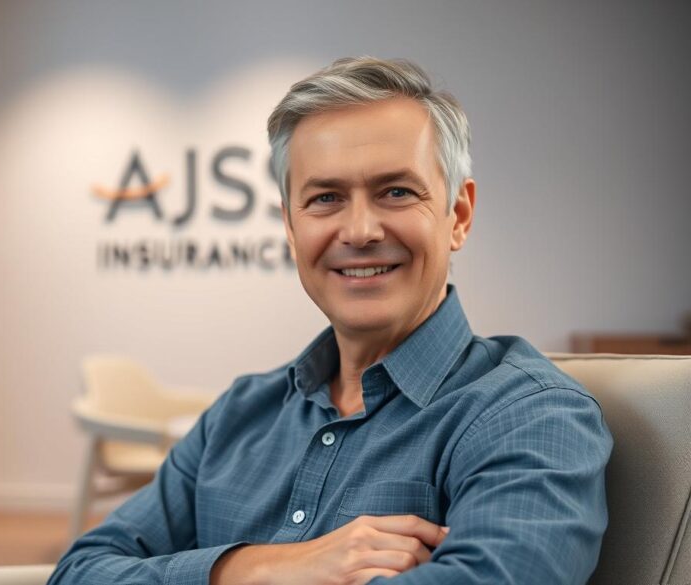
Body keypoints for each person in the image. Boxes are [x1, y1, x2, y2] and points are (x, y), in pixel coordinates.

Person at [48, 57, 612, 585]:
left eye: (396, 191)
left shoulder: (528, 417)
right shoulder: (240, 415)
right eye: (325, 199)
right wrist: (256, 569)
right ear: (292, 229)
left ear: (457, 215)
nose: (360, 230)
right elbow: (80, 571)